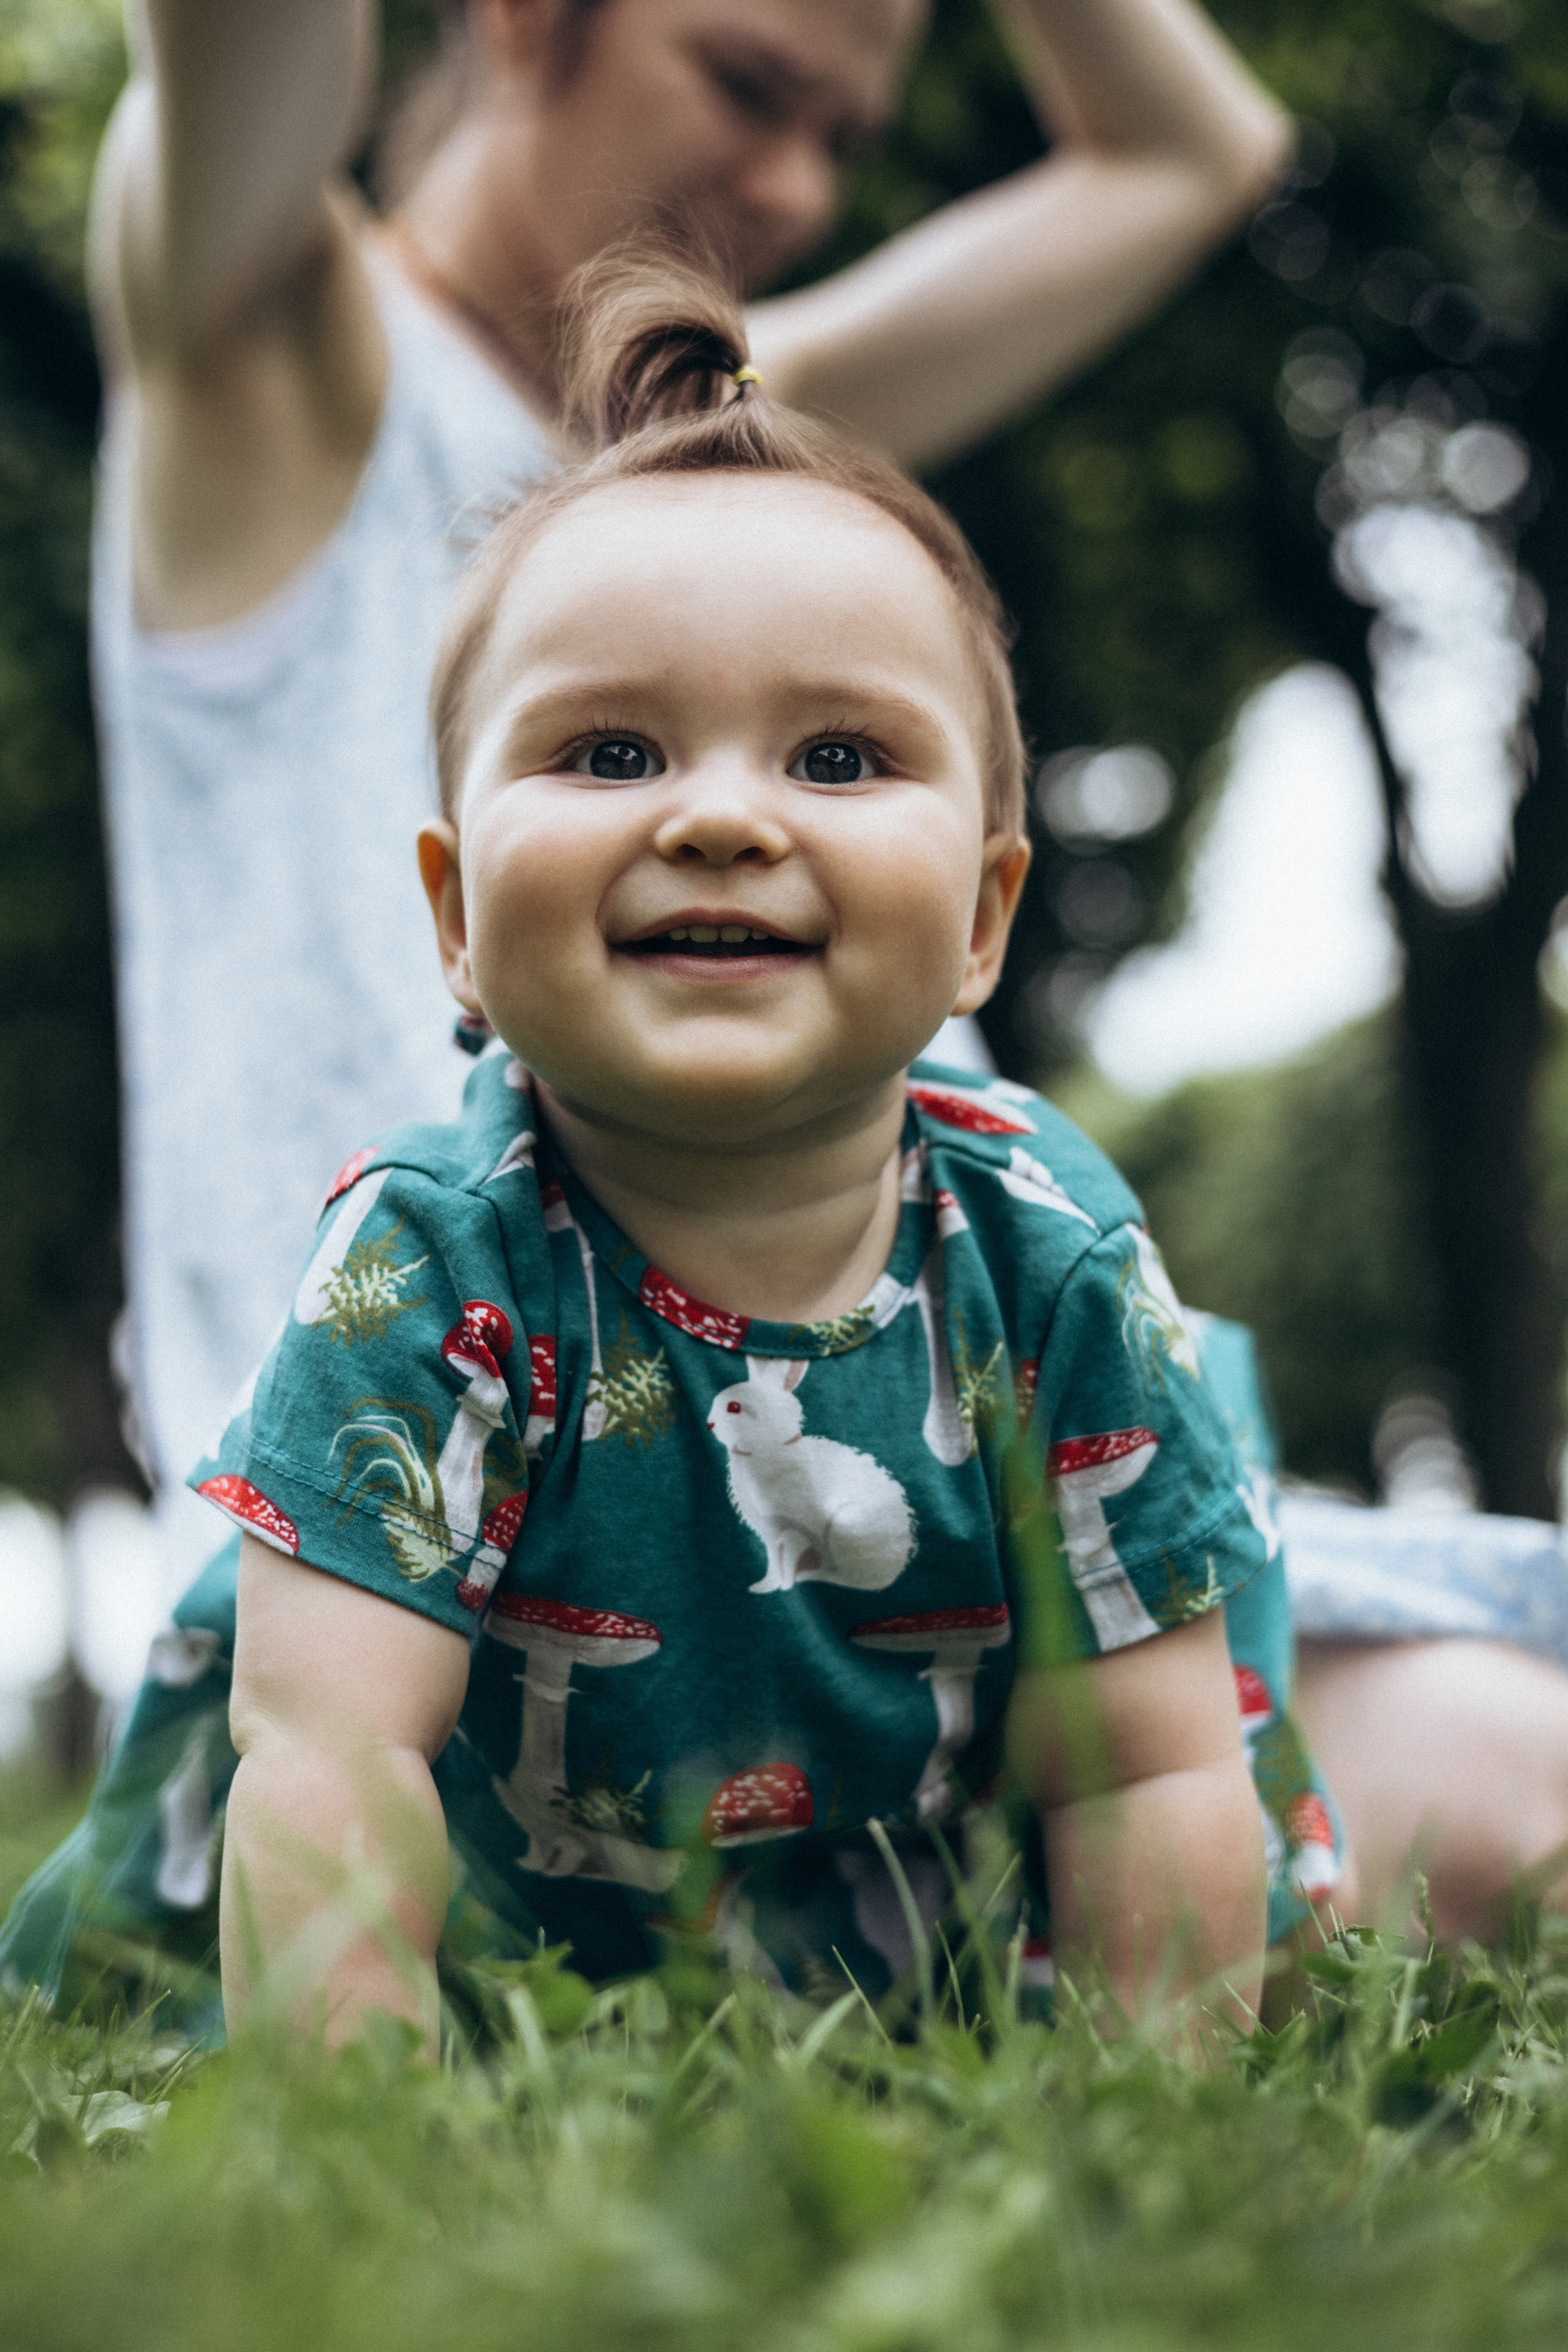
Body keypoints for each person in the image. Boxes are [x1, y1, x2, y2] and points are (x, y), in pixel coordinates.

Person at [4, 264, 1338, 2045]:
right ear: (460, 915)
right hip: (493, 1932)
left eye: (842, 756)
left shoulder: (1049, 1255)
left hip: (898, 1913)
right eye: (612, 749)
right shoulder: (429, 1264)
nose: (720, 816)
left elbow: (1141, 1777)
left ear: (981, 920)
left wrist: (1151, 2118)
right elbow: (333, 1763)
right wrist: (369, 2162)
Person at [91, 0, 1293, 1603]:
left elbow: (1196, 152)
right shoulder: (278, 362)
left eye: (845, 137)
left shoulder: (716, 457)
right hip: (440, 1554)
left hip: (942, 1491)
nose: (797, 188)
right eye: (747, 85)